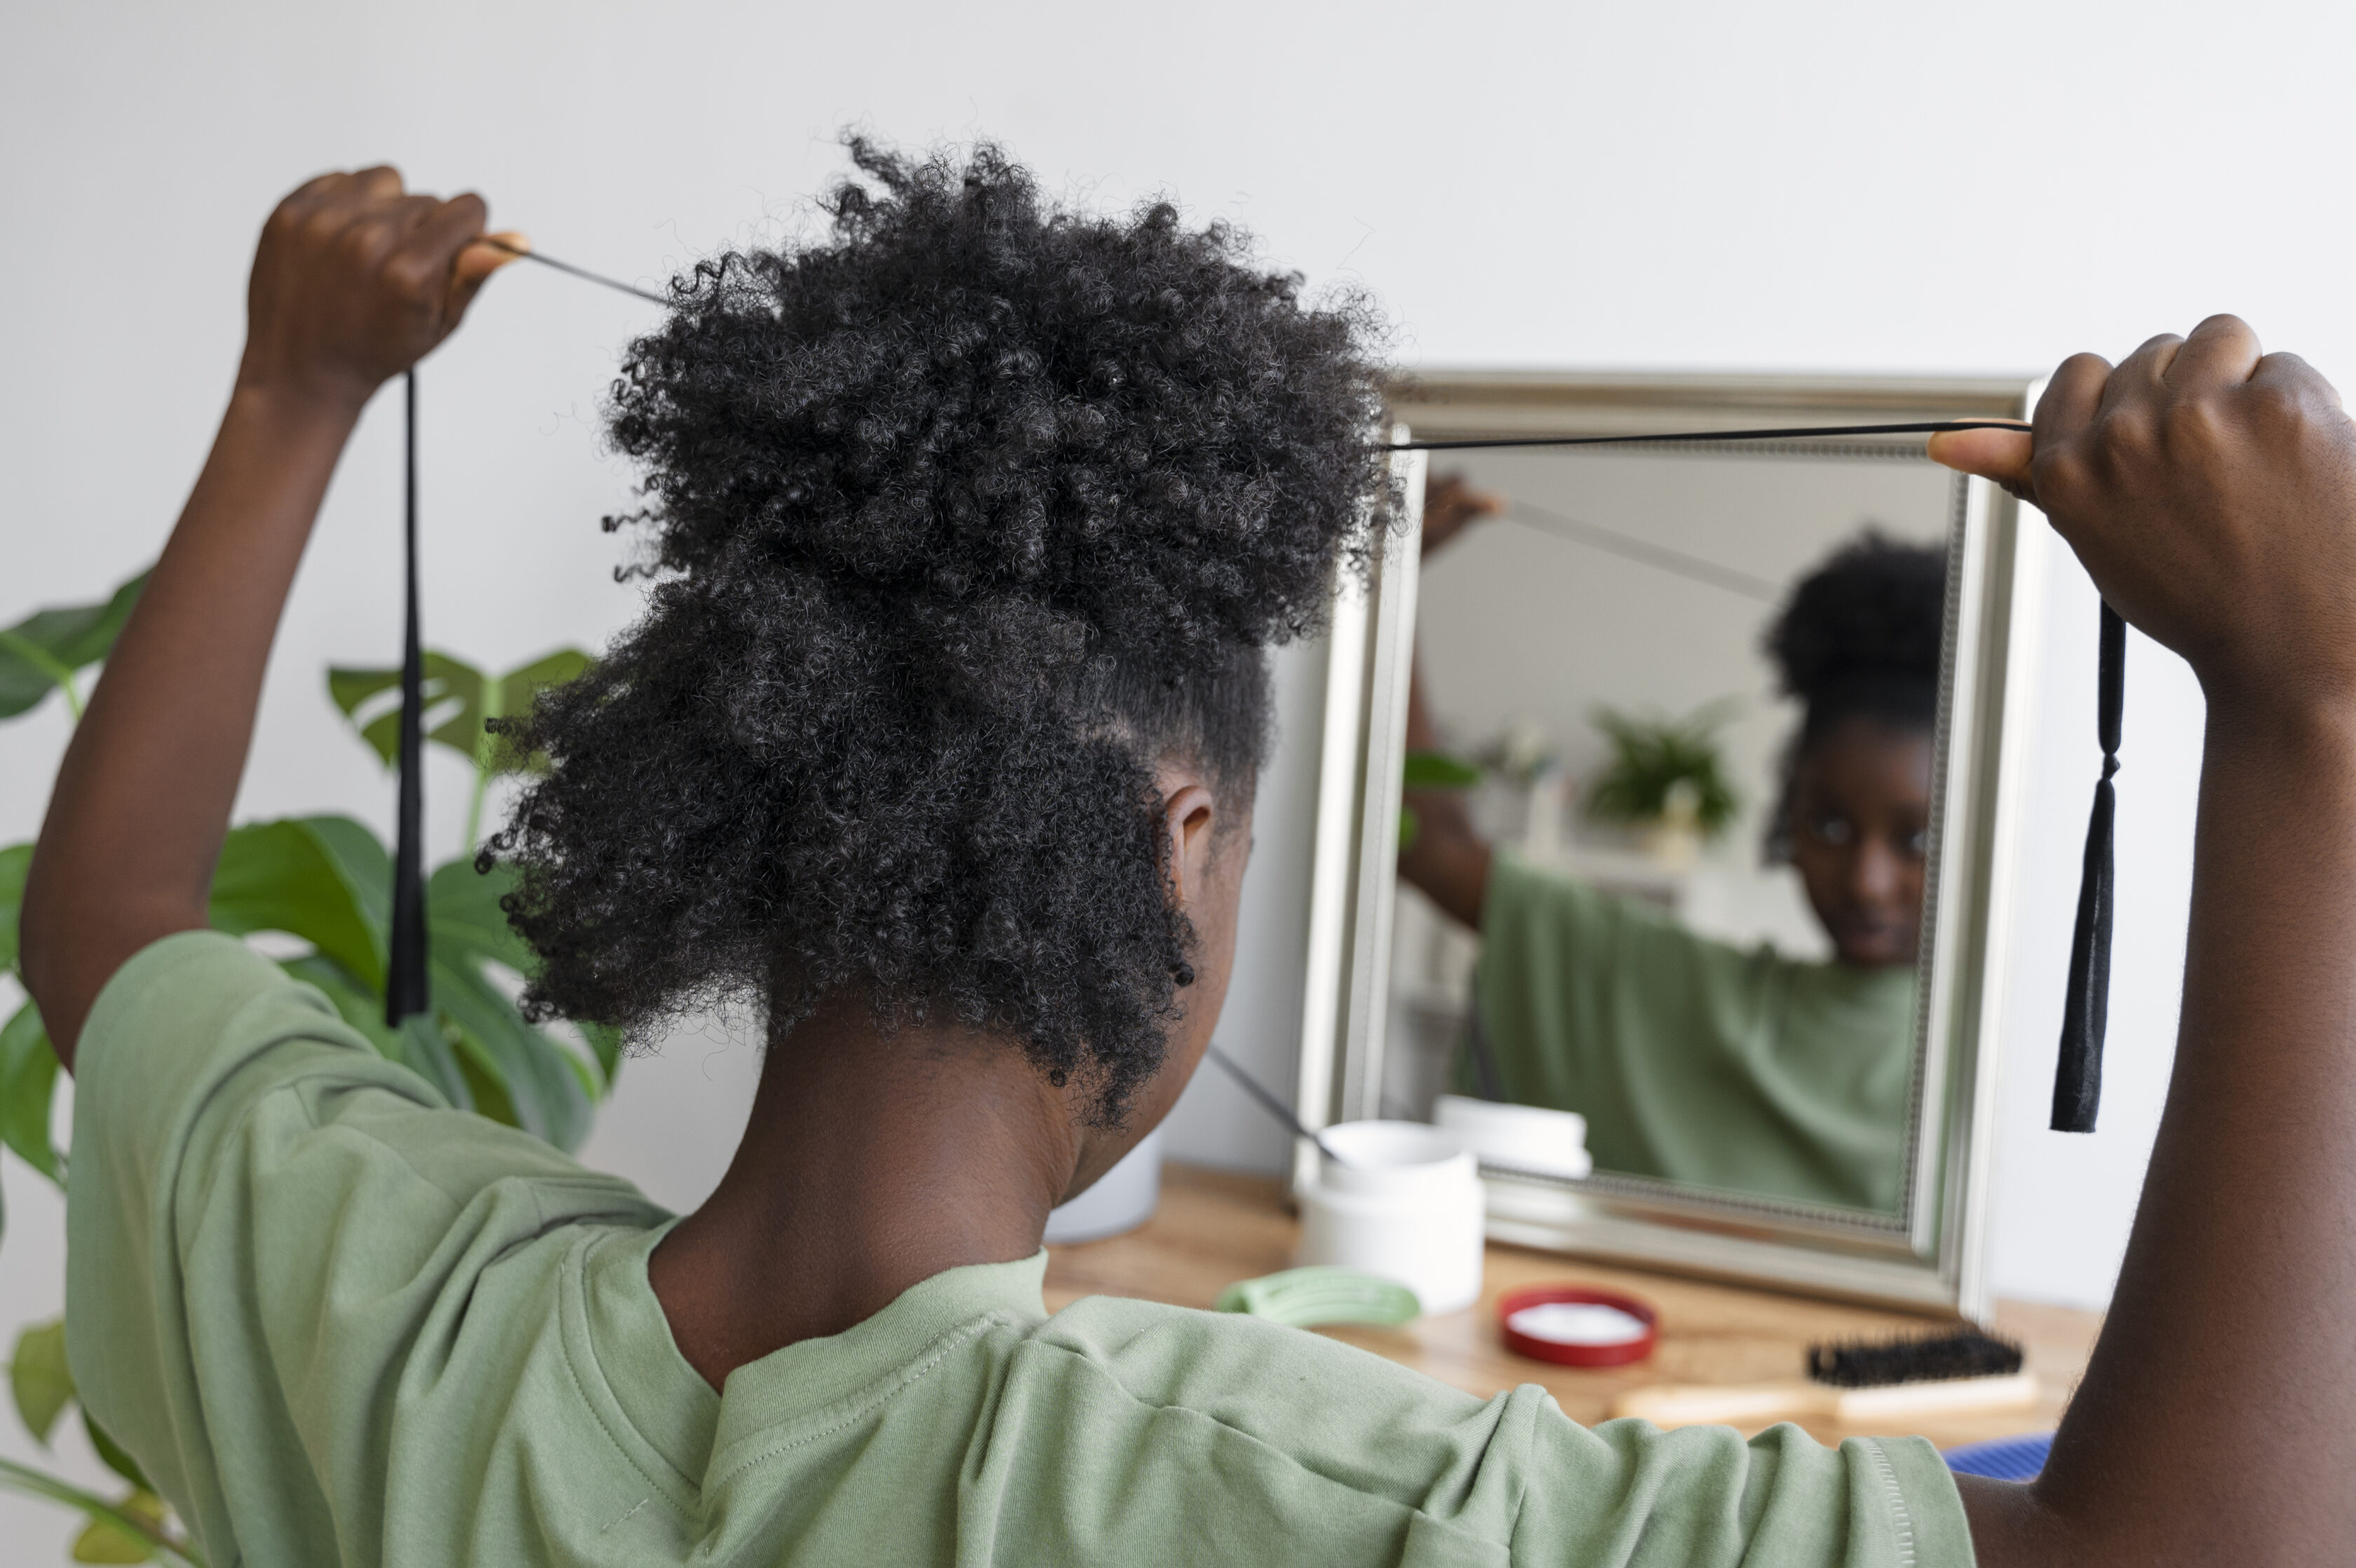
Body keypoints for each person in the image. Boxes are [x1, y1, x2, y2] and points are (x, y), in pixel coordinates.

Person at [21, 144, 2356, 1568]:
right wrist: (2312, 708)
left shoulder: (356, 1283)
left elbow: (107, 921)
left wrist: (293, 387)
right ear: (1188, 836)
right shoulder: (1305, 1500)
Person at [1400, 506, 1946, 1210]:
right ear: (1790, 816)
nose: (1868, 883)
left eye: (1917, 839)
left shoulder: (1995, 1073)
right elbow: (1433, 848)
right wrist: (1392, 575)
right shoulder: (1679, 994)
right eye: (1832, 825)